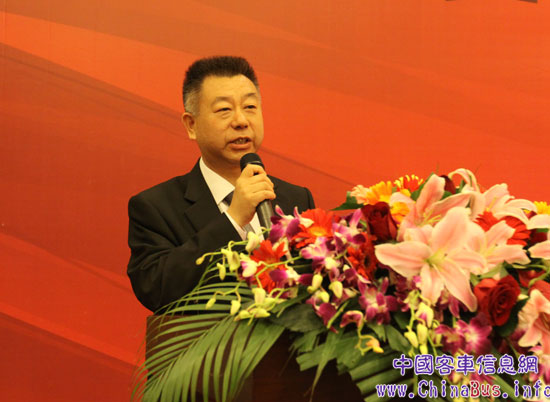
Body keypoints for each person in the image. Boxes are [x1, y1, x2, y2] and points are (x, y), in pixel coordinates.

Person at [127, 56, 315, 312]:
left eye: (250, 106)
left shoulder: (297, 199)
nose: (241, 121)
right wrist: (233, 219)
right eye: (224, 109)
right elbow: (155, 289)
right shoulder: (155, 207)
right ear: (191, 125)